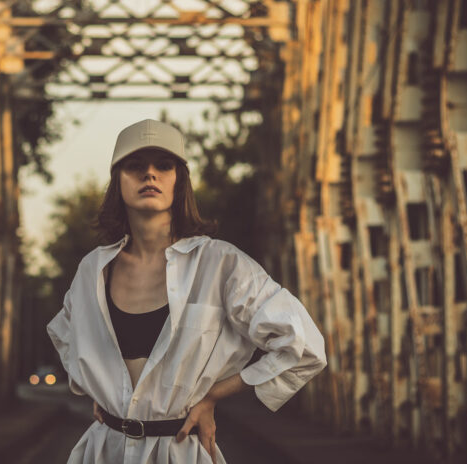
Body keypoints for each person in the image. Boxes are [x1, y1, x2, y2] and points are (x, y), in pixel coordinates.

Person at [47, 119, 327, 463]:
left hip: (179, 450)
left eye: (163, 166)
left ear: (179, 180)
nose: (149, 174)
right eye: (135, 166)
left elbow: (303, 346)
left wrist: (212, 395)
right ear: (117, 180)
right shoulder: (93, 270)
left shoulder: (221, 264)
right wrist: (103, 388)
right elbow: (65, 334)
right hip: (105, 450)